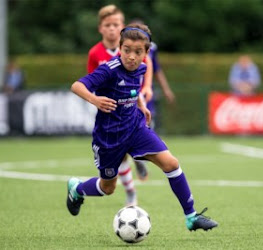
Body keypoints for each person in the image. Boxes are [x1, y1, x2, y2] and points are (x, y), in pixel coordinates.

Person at [66, 23, 218, 232]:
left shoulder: (142, 68)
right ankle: (77, 189)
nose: (131, 56)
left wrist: (141, 105)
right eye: (126, 50)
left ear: (146, 53)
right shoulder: (109, 70)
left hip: (135, 128)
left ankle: (191, 216)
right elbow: (77, 86)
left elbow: (132, 89)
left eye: (138, 52)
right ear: (120, 48)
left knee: (171, 164)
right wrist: (95, 100)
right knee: (108, 187)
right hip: (109, 137)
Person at [86, 5, 151, 207]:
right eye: (108, 25)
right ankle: (131, 191)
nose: (112, 29)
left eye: (116, 24)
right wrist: (98, 99)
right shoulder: (96, 53)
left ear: (123, 27)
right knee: (119, 159)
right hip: (111, 112)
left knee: (142, 136)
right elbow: (90, 81)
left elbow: (146, 67)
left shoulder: (132, 48)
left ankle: (138, 159)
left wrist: (146, 88)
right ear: (101, 28)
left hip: (132, 102)